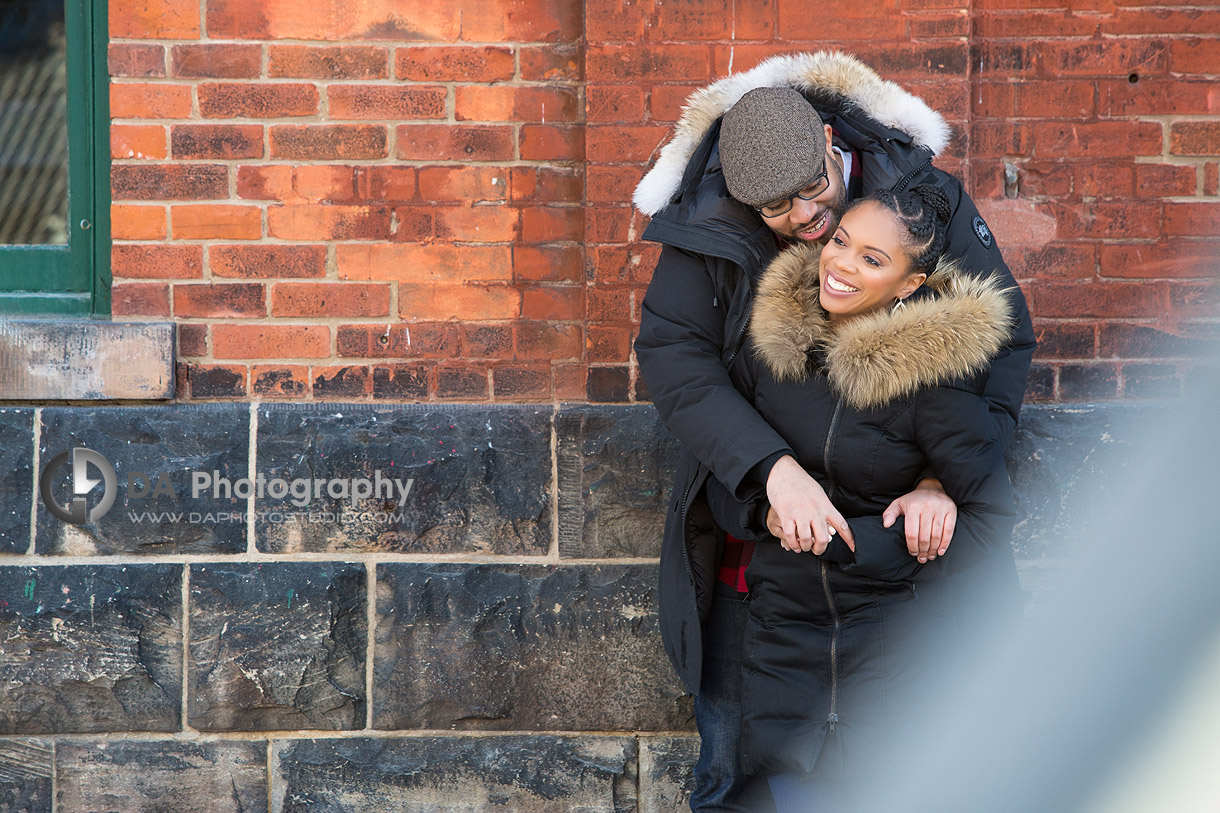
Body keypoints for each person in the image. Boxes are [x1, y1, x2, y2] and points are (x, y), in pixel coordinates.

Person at [632, 51, 1035, 811]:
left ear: (827, 139)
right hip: (761, 562)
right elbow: (674, 355)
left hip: (899, 585)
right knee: (738, 776)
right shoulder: (707, 219)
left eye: (814, 191)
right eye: (776, 211)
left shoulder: (916, 198)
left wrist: (942, 478)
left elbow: (1003, 339)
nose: (809, 222)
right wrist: (768, 469)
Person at [703, 184, 1020, 809]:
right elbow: (718, 492)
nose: (842, 264)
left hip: (892, 668)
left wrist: (874, 534)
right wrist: (767, 507)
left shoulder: (934, 377)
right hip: (784, 663)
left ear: (910, 283)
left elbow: (989, 520)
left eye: (873, 259)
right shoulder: (774, 354)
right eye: (842, 242)